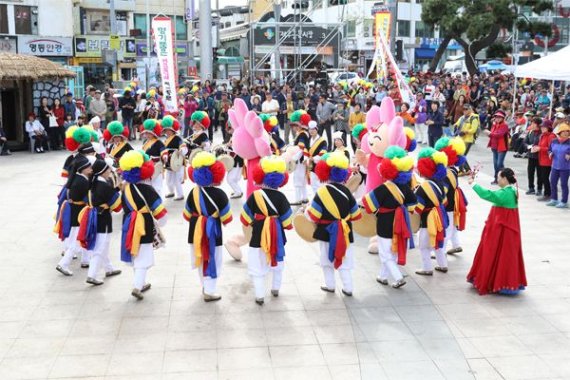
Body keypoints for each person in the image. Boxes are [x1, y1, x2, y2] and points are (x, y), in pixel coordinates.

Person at [307, 152, 362, 295]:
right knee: (345, 258)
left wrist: (305, 210)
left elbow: (314, 215)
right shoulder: (347, 191)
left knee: (326, 259)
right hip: (345, 231)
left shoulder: (321, 191)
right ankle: (348, 288)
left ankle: (330, 285)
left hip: (326, 232)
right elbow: (356, 215)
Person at [240, 155, 293, 305]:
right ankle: (275, 289)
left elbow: (244, 218)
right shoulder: (282, 197)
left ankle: (259, 296)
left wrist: (255, 221)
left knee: (257, 265)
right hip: (277, 236)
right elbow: (288, 223)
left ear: (261, 176)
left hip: (258, 235)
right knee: (277, 262)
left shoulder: (255, 196)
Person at [467, 168, 527, 295]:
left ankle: (500, 283)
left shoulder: (507, 193)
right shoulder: (511, 190)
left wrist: (473, 184)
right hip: (505, 228)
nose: (497, 179)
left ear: (505, 179)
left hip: (502, 229)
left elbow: (490, 195)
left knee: (498, 253)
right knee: (503, 254)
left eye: (499, 177)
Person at [363, 146, 416, 287]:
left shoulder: (383, 188)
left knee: (385, 253)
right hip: (400, 224)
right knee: (391, 252)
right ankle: (382, 276)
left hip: (385, 223)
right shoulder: (406, 187)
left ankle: (398, 277)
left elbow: (367, 204)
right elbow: (412, 206)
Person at [184, 152, 233, 302]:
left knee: (200, 257)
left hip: (195, 231)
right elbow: (227, 219)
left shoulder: (193, 192)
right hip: (213, 232)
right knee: (214, 258)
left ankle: (205, 286)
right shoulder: (221, 194)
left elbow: (186, 215)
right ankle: (210, 290)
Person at [119, 150, 168, 300]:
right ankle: (137, 286)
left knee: (135, 253)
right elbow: (160, 212)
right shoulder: (147, 189)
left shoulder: (126, 188)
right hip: (144, 225)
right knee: (144, 256)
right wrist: (161, 223)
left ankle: (141, 281)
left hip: (129, 224)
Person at [77, 159, 123, 285]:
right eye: (108, 169)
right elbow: (117, 207)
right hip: (102, 219)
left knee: (103, 245)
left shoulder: (94, 183)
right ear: (102, 171)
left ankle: (109, 268)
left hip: (95, 217)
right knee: (100, 247)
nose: (110, 171)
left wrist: (116, 189)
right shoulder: (103, 186)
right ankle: (91, 275)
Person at [55, 154, 95, 276]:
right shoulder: (82, 181)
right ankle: (63, 263)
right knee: (77, 240)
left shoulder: (77, 178)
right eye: (89, 167)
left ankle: (85, 260)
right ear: (82, 169)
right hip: (79, 213)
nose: (91, 169)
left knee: (77, 238)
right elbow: (88, 198)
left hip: (74, 211)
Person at [414, 148, 449, 275]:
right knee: (437, 243)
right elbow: (444, 201)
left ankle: (427, 268)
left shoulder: (423, 187)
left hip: (427, 220)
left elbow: (418, 209)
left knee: (423, 246)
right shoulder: (439, 183)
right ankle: (443, 265)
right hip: (439, 217)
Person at [435, 137, 468, 255]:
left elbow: (443, 189)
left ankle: (441, 251)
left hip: (449, 202)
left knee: (447, 226)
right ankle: (456, 244)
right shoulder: (453, 168)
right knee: (453, 224)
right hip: (455, 200)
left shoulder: (446, 172)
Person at [161, 115, 187, 201]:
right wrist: (164, 155)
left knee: (177, 179)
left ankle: (180, 195)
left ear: (173, 130)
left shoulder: (178, 138)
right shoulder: (166, 139)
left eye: (169, 130)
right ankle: (171, 192)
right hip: (168, 162)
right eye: (166, 130)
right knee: (168, 179)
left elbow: (184, 147)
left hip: (177, 161)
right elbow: (163, 149)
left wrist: (181, 150)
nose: (168, 132)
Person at [289, 110, 311, 205]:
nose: (293, 128)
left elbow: (301, 148)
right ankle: (304, 198)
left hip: (300, 160)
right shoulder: (304, 133)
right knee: (301, 180)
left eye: (294, 125)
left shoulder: (302, 134)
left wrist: (294, 158)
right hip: (303, 160)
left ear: (299, 125)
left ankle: (298, 199)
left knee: (297, 180)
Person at [546, 123, 570, 208]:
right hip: (555, 166)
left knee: (563, 184)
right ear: (559, 133)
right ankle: (554, 199)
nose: (566, 133)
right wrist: (550, 153)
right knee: (552, 182)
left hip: (566, 168)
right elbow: (549, 150)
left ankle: (564, 202)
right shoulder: (554, 141)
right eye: (564, 132)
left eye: (567, 132)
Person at [140, 119, 166, 197]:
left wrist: (165, 156)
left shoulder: (159, 142)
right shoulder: (145, 142)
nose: (147, 135)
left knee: (157, 186)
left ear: (154, 133)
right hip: (147, 166)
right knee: (148, 186)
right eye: (146, 133)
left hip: (157, 166)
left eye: (149, 133)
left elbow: (164, 151)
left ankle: (159, 202)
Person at [534, 120, 556, 202]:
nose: (542, 128)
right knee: (543, 177)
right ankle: (547, 193)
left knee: (545, 177)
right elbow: (541, 146)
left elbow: (551, 149)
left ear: (549, 127)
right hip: (542, 159)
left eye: (544, 127)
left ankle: (548, 194)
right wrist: (536, 147)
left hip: (548, 160)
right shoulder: (542, 135)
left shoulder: (551, 136)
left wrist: (540, 148)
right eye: (542, 127)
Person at [485, 110, 509, 184]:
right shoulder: (494, 124)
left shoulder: (504, 125)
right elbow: (494, 134)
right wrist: (490, 134)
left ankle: (506, 177)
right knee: (496, 164)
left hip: (502, 147)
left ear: (503, 118)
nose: (497, 118)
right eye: (496, 117)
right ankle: (497, 178)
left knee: (499, 164)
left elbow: (499, 135)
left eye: (499, 117)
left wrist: (490, 133)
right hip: (494, 146)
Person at [307, 120, 328, 196]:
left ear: (317, 130)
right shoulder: (309, 140)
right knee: (313, 184)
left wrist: (314, 158)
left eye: (313, 129)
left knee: (320, 184)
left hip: (319, 165)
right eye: (310, 129)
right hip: (311, 165)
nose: (311, 131)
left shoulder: (322, 141)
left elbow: (323, 153)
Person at [524, 117, 542, 195]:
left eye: (533, 123)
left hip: (539, 156)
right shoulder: (530, 132)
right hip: (531, 155)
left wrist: (538, 147)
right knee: (530, 172)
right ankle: (531, 188)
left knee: (539, 174)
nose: (531, 125)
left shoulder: (542, 134)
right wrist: (528, 146)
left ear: (538, 125)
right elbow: (525, 142)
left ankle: (539, 189)